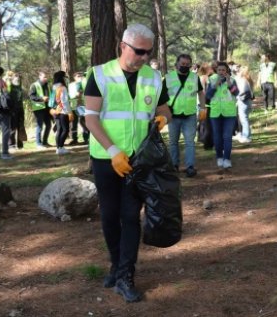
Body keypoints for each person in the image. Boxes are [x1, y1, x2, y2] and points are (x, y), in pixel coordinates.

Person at [84, 23, 171, 303]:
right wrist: (112, 151)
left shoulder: (154, 78)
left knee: (131, 216)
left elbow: (163, 107)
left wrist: (162, 119)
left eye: (148, 53)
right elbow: (91, 117)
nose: (145, 57)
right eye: (140, 52)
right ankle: (115, 264)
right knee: (110, 216)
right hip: (106, 159)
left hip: (138, 160)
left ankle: (125, 276)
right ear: (124, 46)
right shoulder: (100, 75)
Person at [165, 54, 205, 176]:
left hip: (189, 115)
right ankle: (174, 165)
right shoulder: (168, 78)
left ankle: (190, 167)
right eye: (182, 64)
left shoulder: (194, 77)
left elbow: (201, 93)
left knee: (190, 142)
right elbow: (161, 97)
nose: (185, 66)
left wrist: (203, 108)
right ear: (177, 64)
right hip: (173, 115)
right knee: (173, 142)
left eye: (187, 65)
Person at [206, 62, 238, 169]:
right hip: (215, 113)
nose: (221, 72)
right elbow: (208, 95)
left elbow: (236, 93)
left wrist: (229, 83)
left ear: (227, 71)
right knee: (217, 137)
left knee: (227, 137)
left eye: (223, 70)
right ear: (216, 71)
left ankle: (227, 159)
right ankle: (219, 157)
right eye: (219, 70)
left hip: (229, 113)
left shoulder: (232, 80)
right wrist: (215, 85)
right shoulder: (211, 80)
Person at [51, 71, 72, 155]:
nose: (66, 78)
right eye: (65, 77)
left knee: (59, 129)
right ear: (62, 78)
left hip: (55, 111)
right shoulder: (62, 87)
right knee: (65, 129)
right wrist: (69, 112)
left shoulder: (53, 87)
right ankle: (61, 147)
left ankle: (58, 148)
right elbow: (64, 101)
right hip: (63, 111)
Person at [29, 71, 52, 148]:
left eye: (46, 77)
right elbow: (32, 97)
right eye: (44, 77)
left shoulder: (47, 85)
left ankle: (45, 142)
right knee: (40, 126)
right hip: (38, 108)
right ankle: (38, 143)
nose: (46, 78)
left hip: (47, 108)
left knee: (49, 125)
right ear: (39, 77)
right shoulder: (34, 85)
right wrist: (41, 99)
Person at [6, 71, 26, 150]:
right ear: (12, 79)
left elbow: (20, 79)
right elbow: (6, 80)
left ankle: (20, 145)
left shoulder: (19, 86)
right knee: (12, 127)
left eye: (18, 78)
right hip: (12, 110)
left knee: (20, 126)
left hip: (20, 109)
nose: (17, 78)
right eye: (16, 77)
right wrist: (9, 77)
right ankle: (11, 145)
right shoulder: (10, 86)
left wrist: (19, 76)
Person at [235, 66, 254, 142]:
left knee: (244, 119)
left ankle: (246, 136)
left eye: (239, 71)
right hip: (248, 101)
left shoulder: (242, 80)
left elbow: (241, 91)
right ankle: (246, 135)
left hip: (243, 101)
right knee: (245, 119)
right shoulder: (248, 80)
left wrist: (237, 96)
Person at [68, 72, 88, 145]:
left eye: (81, 76)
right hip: (74, 106)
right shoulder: (71, 85)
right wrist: (75, 95)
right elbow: (70, 95)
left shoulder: (84, 83)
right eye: (78, 76)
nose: (80, 77)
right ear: (74, 77)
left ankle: (86, 138)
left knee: (84, 123)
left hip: (83, 106)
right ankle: (74, 139)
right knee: (73, 124)